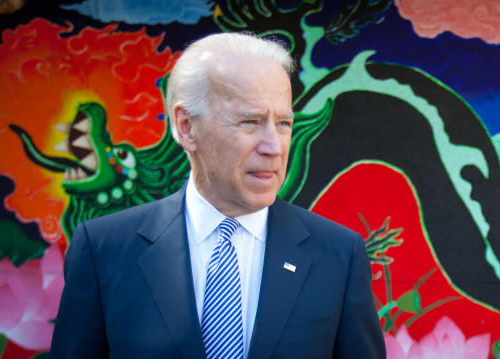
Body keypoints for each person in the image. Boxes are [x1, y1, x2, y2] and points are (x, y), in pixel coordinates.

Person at [50, 32, 386, 359]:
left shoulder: (339, 255)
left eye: (283, 123)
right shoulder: (103, 249)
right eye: (250, 122)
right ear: (186, 127)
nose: (274, 147)